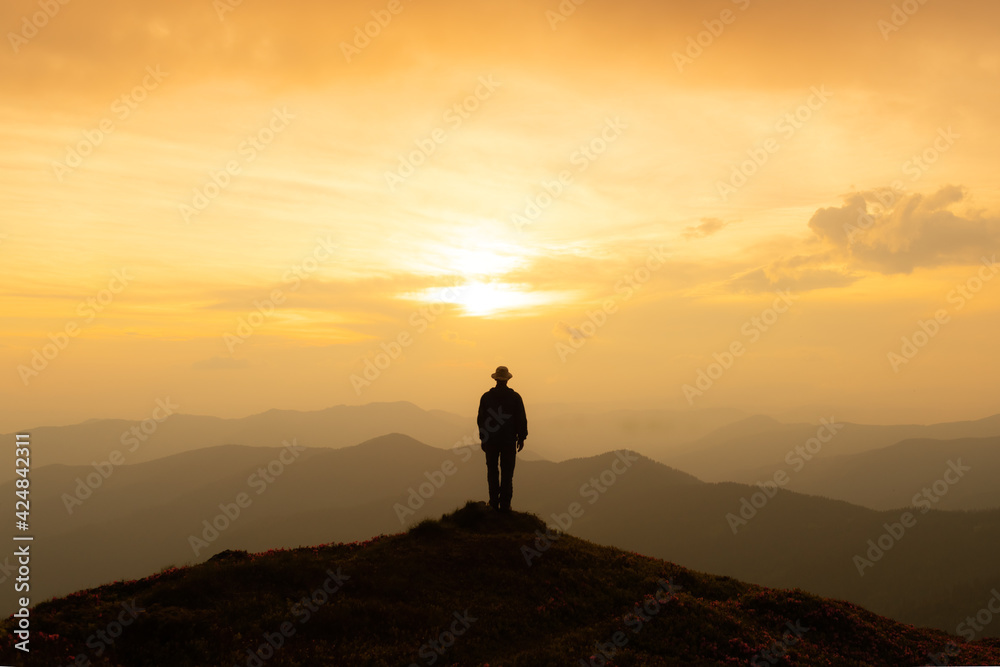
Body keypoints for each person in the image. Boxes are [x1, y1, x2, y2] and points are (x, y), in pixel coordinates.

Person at [477, 365, 528, 512]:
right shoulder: (515, 398)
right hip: (508, 441)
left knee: (492, 471)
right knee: (507, 473)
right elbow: (521, 419)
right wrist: (521, 437)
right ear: (507, 380)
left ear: (495, 379)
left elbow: (481, 420)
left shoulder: (486, 397)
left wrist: (483, 438)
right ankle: (505, 505)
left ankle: (493, 503)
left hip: (491, 440)